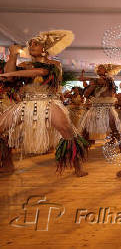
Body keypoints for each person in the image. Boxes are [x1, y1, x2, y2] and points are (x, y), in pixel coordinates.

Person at [0, 30, 88, 176]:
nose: (31, 46)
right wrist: (13, 55)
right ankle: (8, 164)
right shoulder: (26, 64)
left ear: (44, 49)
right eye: (30, 44)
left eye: (36, 44)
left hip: (49, 102)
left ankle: (78, 165)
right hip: (26, 103)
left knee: (66, 130)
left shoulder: (55, 64)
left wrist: (10, 73)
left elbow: (40, 72)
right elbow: (8, 78)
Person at [80, 63, 121, 142]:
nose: (98, 70)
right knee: (87, 127)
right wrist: (91, 86)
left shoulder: (109, 80)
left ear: (106, 71)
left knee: (113, 127)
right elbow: (86, 94)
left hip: (107, 107)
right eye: (98, 68)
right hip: (95, 107)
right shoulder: (95, 82)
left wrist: (85, 78)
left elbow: (99, 81)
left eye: (101, 68)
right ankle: (82, 146)